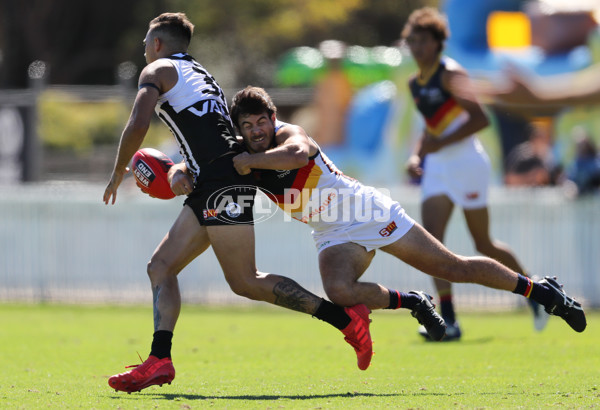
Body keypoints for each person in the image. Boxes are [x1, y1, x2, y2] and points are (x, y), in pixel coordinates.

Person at [102, 12, 391, 392]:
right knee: (160, 266)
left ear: (157, 44)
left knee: (245, 281)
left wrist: (117, 170)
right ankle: (160, 360)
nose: (144, 49)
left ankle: (344, 320)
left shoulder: (156, 70)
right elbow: (208, 135)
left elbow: (138, 122)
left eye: (145, 43)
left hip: (221, 184)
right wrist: (179, 172)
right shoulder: (200, 74)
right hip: (214, 180)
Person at [202, 86, 585, 344]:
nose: (256, 131)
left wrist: (248, 161)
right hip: (330, 231)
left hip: (365, 211)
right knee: (339, 291)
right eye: (248, 126)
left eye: (262, 121)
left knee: (452, 267)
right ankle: (414, 301)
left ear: (273, 116)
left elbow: (299, 156)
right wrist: (181, 175)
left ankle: (542, 291)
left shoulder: (289, 136)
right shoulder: (241, 153)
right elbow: (203, 168)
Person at [401, 7, 550, 340]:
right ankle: (448, 322)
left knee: (482, 243)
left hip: (468, 164)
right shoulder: (415, 84)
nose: (417, 48)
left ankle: (536, 293)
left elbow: (480, 119)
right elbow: (430, 129)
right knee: (432, 243)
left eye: (423, 41)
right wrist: (417, 156)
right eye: (412, 42)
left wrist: (440, 143)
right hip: (438, 167)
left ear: (438, 44)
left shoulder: (451, 74)